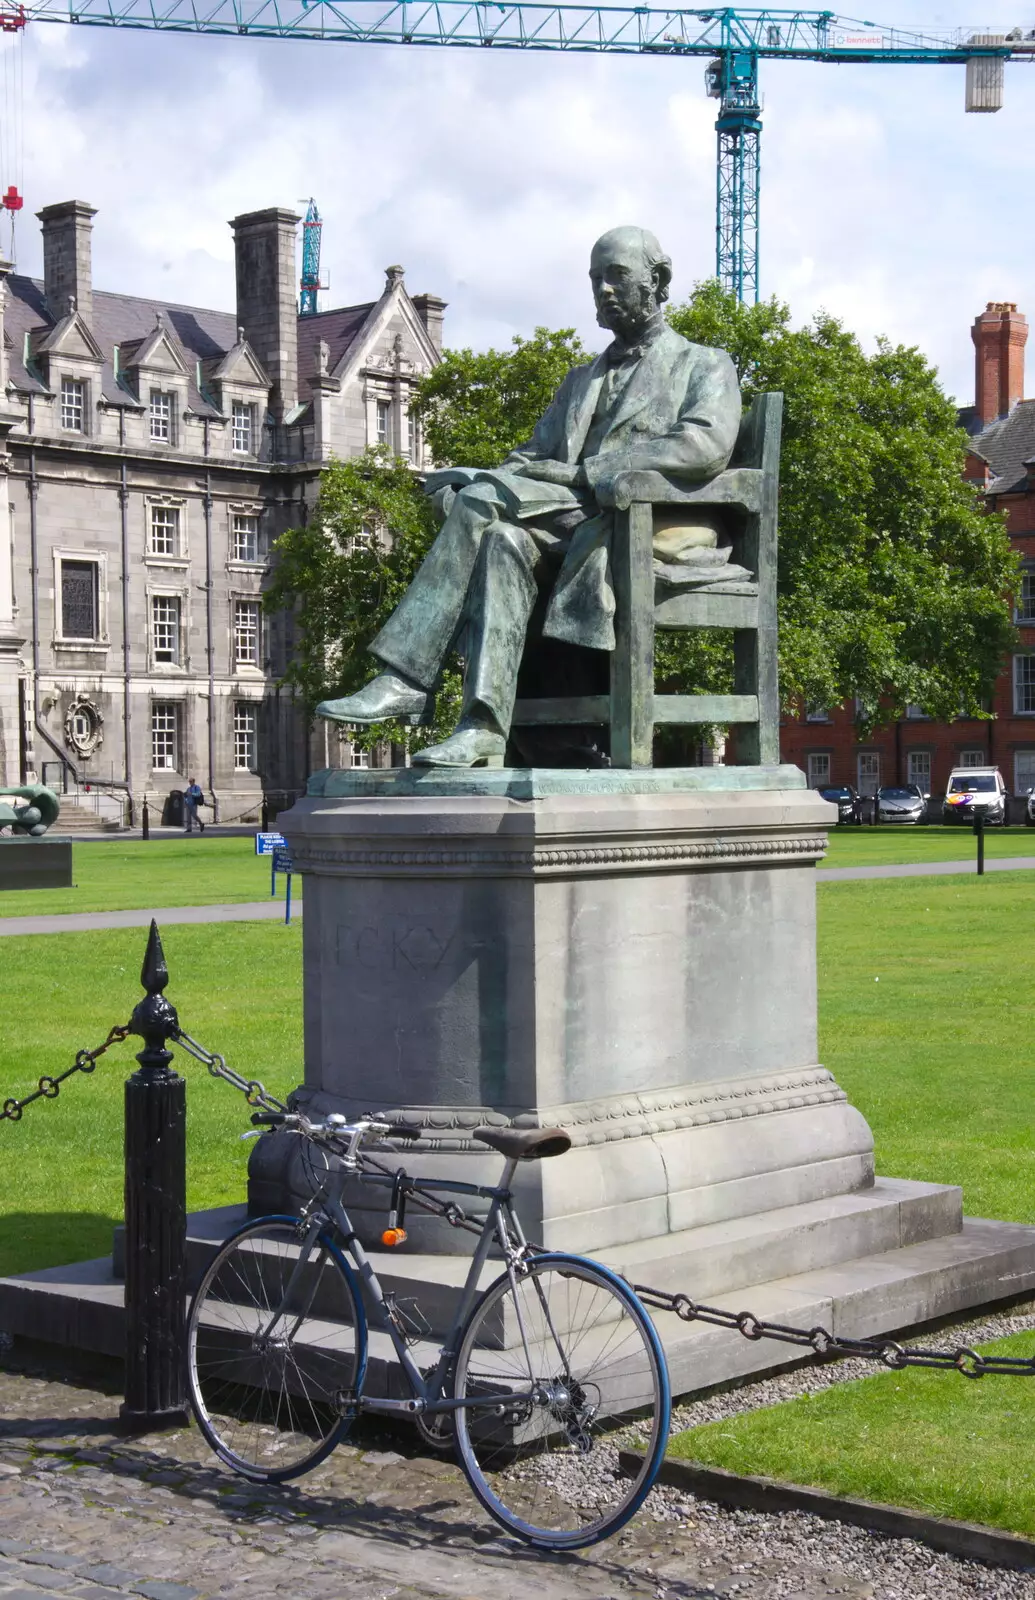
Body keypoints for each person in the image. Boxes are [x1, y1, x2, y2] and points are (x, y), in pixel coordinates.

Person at [316, 225, 742, 767]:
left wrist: (590, 471)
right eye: (595, 280)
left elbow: (703, 445)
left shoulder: (704, 364)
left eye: (616, 276)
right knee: (498, 537)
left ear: (657, 281)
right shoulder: (581, 380)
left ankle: (404, 677)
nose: (603, 290)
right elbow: (529, 456)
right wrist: (483, 475)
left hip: (644, 521)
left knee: (480, 508)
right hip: (569, 521)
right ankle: (485, 727)